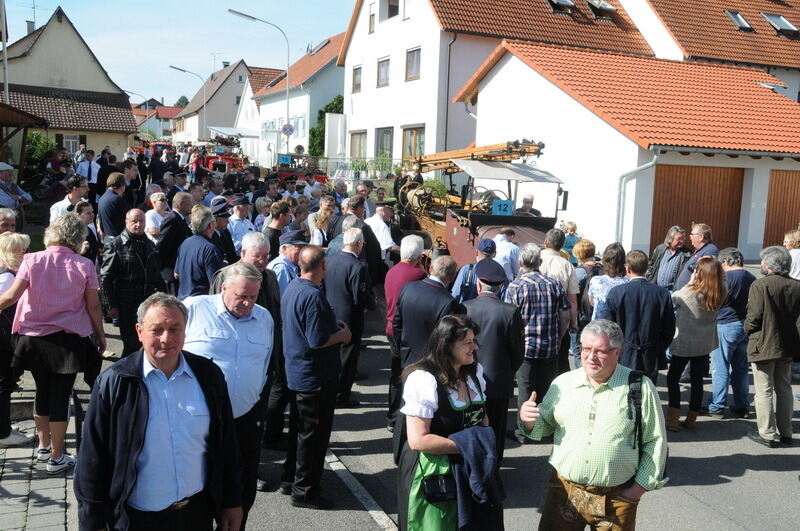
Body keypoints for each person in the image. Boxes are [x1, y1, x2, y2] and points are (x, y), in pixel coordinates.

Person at [74, 293, 243, 530]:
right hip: (138, 519)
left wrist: (232, 501)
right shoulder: (115, 383)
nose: (167, 338)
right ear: (139, 331)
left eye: (175, 328)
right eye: (157, 330)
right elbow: (92, 459)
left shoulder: (208, 376)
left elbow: (227, 444)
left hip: (195, 513)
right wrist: (92, 522)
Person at [519, 319, 668, 531]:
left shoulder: (640, 387)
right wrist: (529, 420)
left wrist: (636, 491)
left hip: (617, 499)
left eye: (600, 351)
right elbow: (545, 426)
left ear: (617, 352)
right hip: (565, 493)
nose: (590, 357)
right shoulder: (563, 383)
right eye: (586, 349)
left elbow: (656, 441)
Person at [0, 214, 105, 473]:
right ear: (76, 237)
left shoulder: (31, 260)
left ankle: (45, 446)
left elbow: (11, 296)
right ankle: (57, 457)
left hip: (33, 339)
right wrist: (100, 334)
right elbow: (93, 305)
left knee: (41, 391)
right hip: (67, 341)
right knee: (60, 396)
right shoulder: (84, 265)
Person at [184, 262, 273, 528]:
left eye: (252, 297)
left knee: (241, 489)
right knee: (198, 487)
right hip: (199, 418)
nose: (247, 303)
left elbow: (266, 363)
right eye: (241, 296)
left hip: (245, 419)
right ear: (224, 287)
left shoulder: (264, 318)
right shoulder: (195, 308)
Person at [397, 314, 501, 531]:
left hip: (472, 468)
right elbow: (418, 440)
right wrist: (472, 444)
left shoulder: (474, 373)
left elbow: (482, 417)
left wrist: (478, 441)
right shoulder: (423, 379)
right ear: (447, 346)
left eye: (474, 340)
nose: (474, 347)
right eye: (467, 342)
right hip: (434, 470)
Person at [281, 246, 352, 509]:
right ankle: (305, 491)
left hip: (300, 373)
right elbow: (317, 339)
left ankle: (291, 478)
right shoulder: (312, 296)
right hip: (315, 378)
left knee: (300, 432)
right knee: (314, 436)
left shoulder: (293, 287)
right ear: (322, 266)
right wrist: (342, 336)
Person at [503, 243, 569, 445]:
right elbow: (565, 316)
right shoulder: (554, 285)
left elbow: (508, 320)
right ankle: (546, 430)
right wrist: (558, 338)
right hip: (550, 346)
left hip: (525, 349)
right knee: (548, 390)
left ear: (520, 262)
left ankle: (524, 432)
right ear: (540, 262)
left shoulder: (515, 287)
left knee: (525, 390)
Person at [463, 259, 524, 462]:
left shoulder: (465, 308)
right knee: (496, 428)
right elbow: (517, 351)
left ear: (478, 284)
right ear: (500, 286)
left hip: (468, 379)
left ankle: (472, 463)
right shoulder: (510, 311)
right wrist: (507, 371)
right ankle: (493, 466)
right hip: (499, 381)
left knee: (470, 424)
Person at [745, 246, 800, 448]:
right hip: (787, 344)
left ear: (768, 264)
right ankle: (786, 432)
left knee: (764, 390)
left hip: (763, 343)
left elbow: (754, 316)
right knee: (784, 388)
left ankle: (767, 433)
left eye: (762, 262)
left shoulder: (760, 285)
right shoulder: (796, 285)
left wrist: (748, 330)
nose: (760, 265)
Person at [666, 256, 726, 432]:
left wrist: (690, 282)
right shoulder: (721, 290)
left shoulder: (690, 292)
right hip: (704, 341)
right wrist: (713, 266)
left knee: (672, 378)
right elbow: (721, 279)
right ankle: (691, 418)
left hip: (685, 341)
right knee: (698, 380)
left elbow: (674, 298)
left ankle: (673, 418)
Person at [100, 209, 163, 357]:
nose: (138, 224)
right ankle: (125, 375)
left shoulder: (149, 243)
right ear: (126, 222)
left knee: (148, 341)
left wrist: (163, 298)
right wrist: (111, 305)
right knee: (131, 343)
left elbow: (156, 275)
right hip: (127, 302)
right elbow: (106, 277)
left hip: (148, 300)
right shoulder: (116, 245)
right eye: (134, 221)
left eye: (141, 221)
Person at [606, 250, 675, 384]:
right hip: (651, 350)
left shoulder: (617, 292)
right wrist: (660, 346)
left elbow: (608, 326)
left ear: (627, 268)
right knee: (647, 389)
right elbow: (669, 327)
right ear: (647, 268)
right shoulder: (661, 293)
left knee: (623, 388)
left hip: (623, 351)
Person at [325, 228, 376, 407]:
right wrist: (371, 304)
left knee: (333, 355)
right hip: (350, 319)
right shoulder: (357, 267)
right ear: (358, 244)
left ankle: (331, 389)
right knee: (347, 358)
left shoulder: (330, 260)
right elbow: (359, 297)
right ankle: (341, 395)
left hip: (331, 314)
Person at [384, 235, 427, 431]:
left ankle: (392, 417)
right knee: (411, 376)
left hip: (391, 328)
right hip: (408, 331)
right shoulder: (418, 275)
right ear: (418, 256)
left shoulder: (391, 272)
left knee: (395, 375)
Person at [707, 248, 755, 419]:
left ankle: (717, 405)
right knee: (741, 368)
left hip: (725, 324)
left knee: (720, 367)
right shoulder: (751, 277)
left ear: (726, 262)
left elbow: (715, 301)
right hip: (744, 325)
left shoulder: (726, 278)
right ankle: (742, 406)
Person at [394, 256, 464, 367]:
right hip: (432, 363)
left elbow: (397, 324)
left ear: (430, 268)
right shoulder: (449, 302)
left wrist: (401, 349)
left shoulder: (408, 288)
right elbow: (446, 339)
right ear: (452, 277)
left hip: (407, 358)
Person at [0, 232, 33, 448]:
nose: (26, 253)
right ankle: (3, 434)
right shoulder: (8, 276)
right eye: (22, 249)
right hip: (2, 338)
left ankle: (4, 426)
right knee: (4, 383)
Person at [539, 229, 580, 374]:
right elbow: (572, 299)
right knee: (560, 362)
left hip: (533, 316)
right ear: (562, 245)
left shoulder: (532, 259)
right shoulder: (566, 265)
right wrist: (573, 323)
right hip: (558, 318)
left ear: (545, 242)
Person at [174, 205, 224, 300]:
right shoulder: (210, 249)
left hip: (182, 301)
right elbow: (215, 285)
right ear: (210, 225)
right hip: (201, 303)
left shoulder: (185, 243)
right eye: (214, 222)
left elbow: (177, 274)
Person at [155, 192, 194, 295]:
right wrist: (162, 271)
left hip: (179, 271)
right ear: (181, 204)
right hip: (171, 272)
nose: (192, 206)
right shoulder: (172, 220)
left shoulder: (180, 219)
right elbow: (161, 246)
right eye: (190, 203)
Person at [571, 239, 601, 368]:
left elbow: (573, 296)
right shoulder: (602, 269)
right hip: (598, 314)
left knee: (579, 350)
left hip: (581, 316)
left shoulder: (579, 272)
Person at [450, 239, 505, 304]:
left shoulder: (467, 269)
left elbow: (455, 295)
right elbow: (504, 297)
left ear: (476, 252)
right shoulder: (500, 272)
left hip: (466, 311)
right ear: (495, 254)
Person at [587, 242, 628, 320]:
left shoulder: (595, 280)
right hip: (618, 326)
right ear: (623, 262)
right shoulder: (628, 284)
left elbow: (592, 302)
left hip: (598, 326)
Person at [674, 223, 719, 290]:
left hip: (692, 295)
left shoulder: (710, 251)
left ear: (701, 237)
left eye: (692, 234)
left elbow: (705, 277)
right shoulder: (701, 250)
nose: (690, 236)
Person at [646, 226, 691, 291]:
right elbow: (651, 265)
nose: (682, 241)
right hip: (655, 289)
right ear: (670, 238)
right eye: (679, 239)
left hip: (672, 292)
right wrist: (649, 279)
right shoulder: (660, 249)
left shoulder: (687, 254)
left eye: (683, 238)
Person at [267, 230, 306, 295]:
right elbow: (282, 299)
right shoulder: (281, 268)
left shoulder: (291, 266)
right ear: (284, 249)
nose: (303, 251)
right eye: (299, 247)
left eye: (304, 247)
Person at [97, 172, 128, 243]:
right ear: (121, 185)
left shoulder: (102, 198)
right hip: (117, 239)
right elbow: (131, 215)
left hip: (107, 238)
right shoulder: (116, 199)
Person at [209, 196, 239, 265]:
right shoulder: (210, 236)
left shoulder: (225, 231)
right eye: (225, 219)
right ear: (215, 220)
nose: (228, 222)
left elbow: (232, 255)